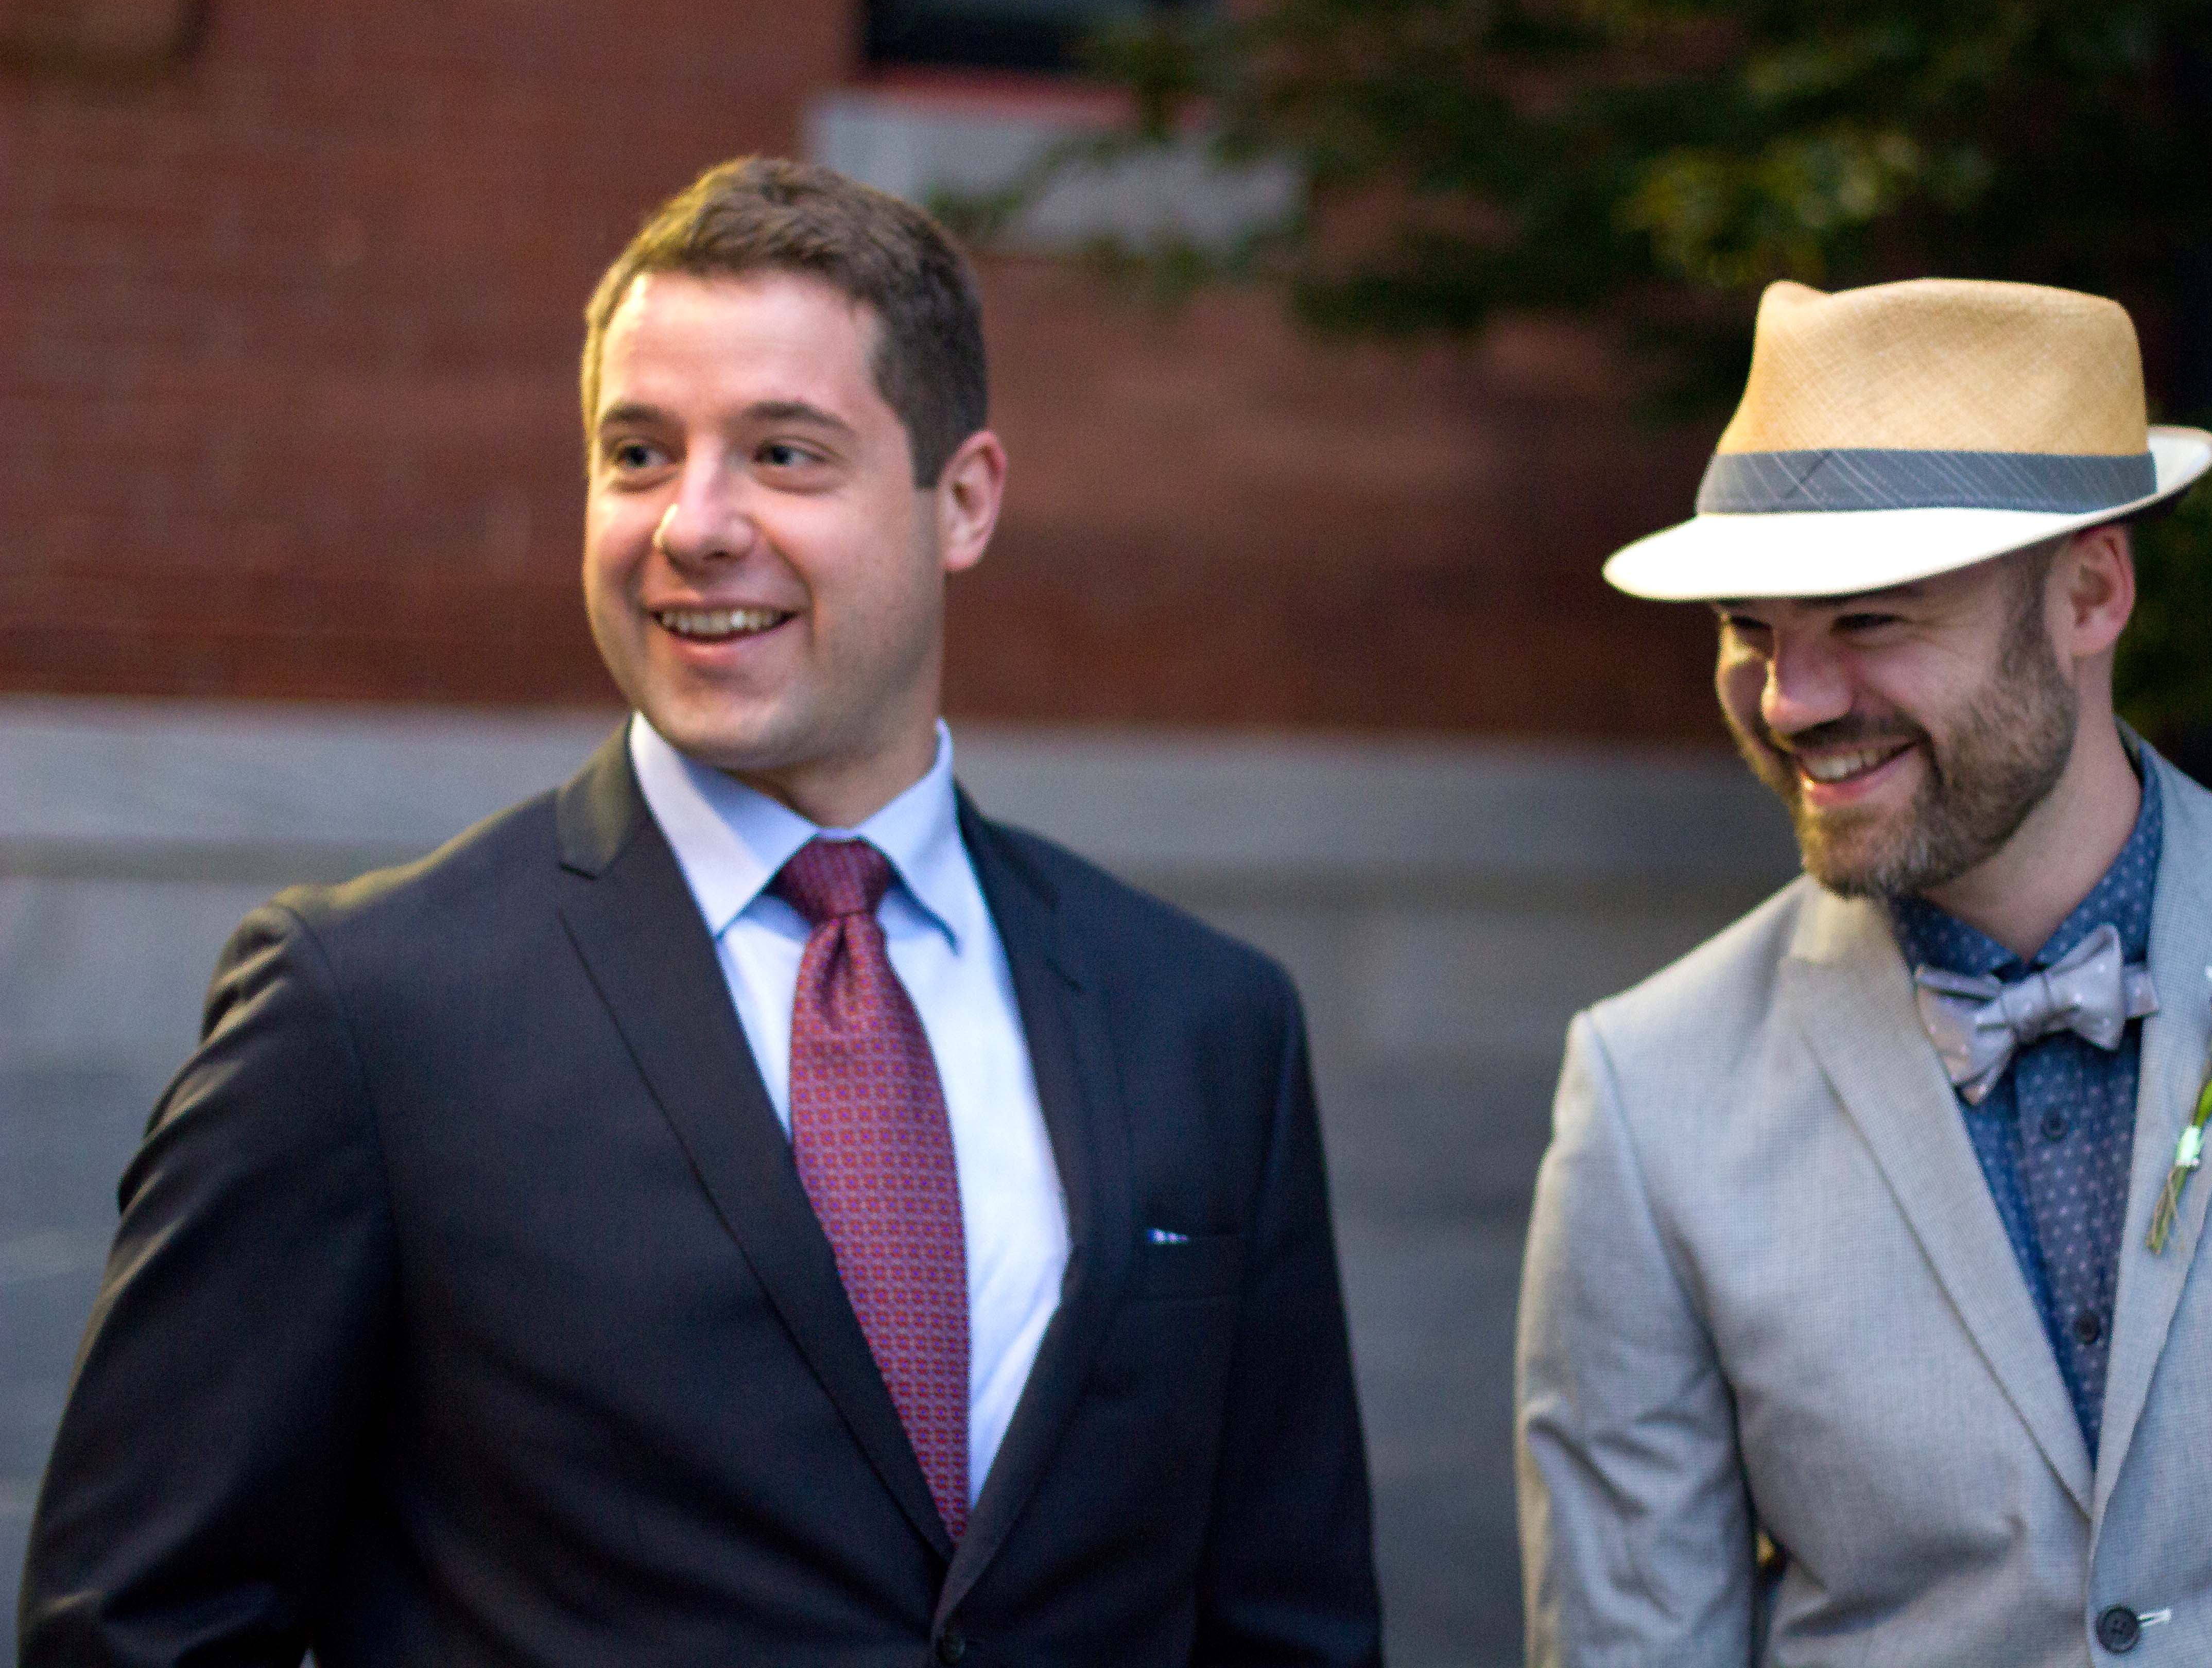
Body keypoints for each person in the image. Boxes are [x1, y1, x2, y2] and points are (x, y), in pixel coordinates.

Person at [21, 158, 1381, 1666]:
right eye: (638, 454)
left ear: (965, 500)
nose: (694, 524)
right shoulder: (364, 1014)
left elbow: (1291, 1627)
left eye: (784, 455)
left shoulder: (1205, 1023)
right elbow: (135, 1627)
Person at [1516, 276, 2212, 1664]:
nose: (1789, 699)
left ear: (2092, 593)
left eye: (1868, 621)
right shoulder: (1648, 1091)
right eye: (1748, 629)